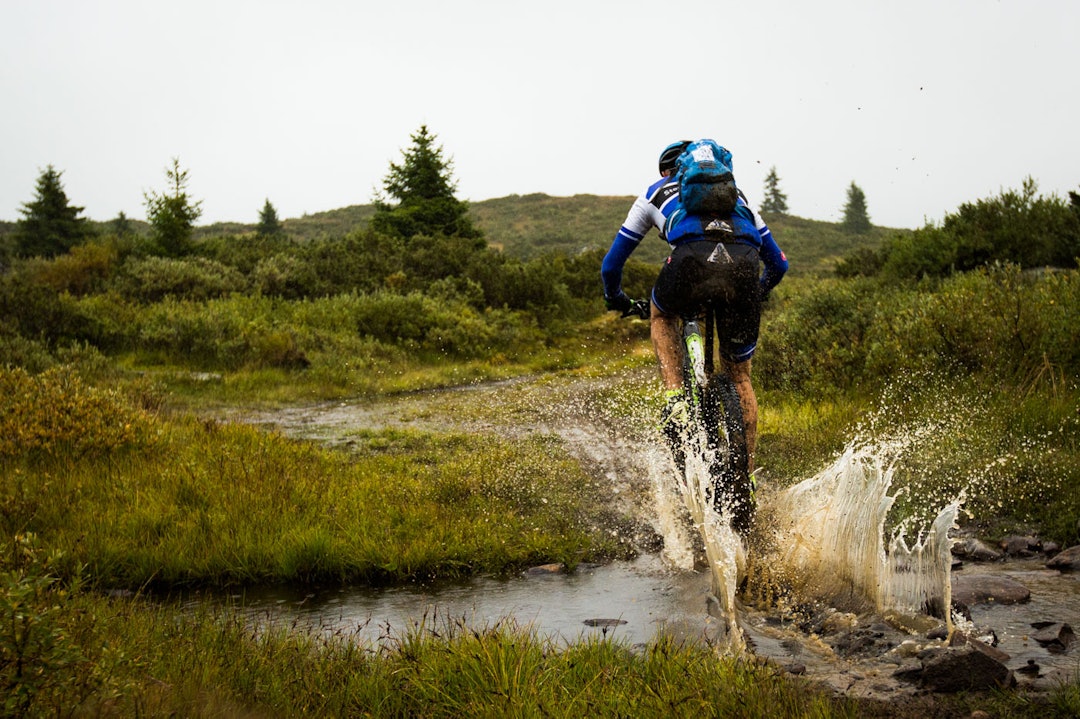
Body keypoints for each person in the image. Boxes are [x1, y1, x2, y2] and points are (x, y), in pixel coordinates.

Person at [601, 140, 788, 473]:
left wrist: (617, 299)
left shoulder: (654, 193)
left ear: (666, 171)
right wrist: (755, 292)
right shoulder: (739, 197)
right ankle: (748, 476)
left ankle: (675, 397)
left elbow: (611, 266)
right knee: (740, 378)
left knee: (663, 315)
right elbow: (779, 264)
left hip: (688, 260)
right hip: (745, 267)